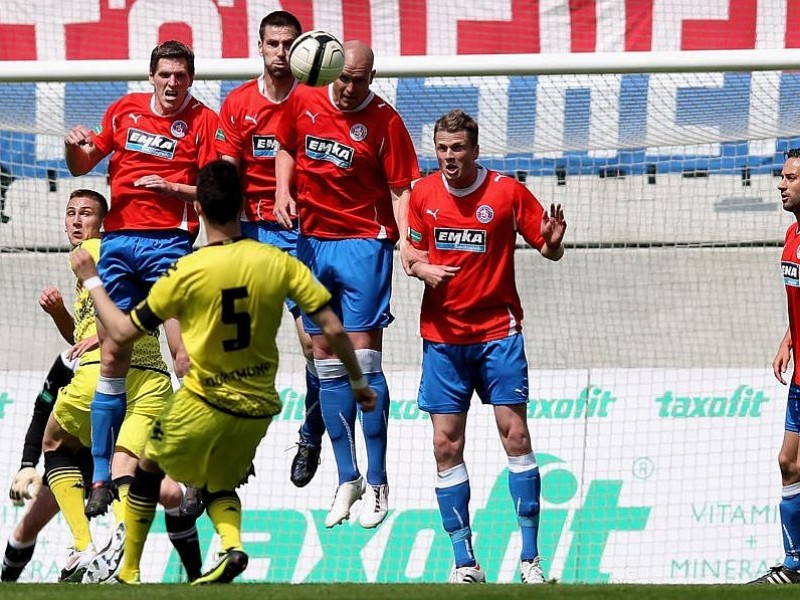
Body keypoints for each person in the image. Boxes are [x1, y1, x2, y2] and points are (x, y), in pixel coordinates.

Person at [70, 159, 377, 585]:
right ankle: (232, 546)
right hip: (259, 406)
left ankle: (130, 571)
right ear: (242, 207)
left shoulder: (185, 270)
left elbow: (119, 332)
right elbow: (332, 328)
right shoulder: (277, 261)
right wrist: (359, 383)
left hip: (203, 399)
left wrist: (91, 280)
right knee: (217, 479)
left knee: (145, 470)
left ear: (197, 212)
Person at [406, 109, 566, 584]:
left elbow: (548, 246)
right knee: (444, 446)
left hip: (499, 334)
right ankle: (465, 564)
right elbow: (410, 254)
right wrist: (420, 269)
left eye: (458, 148)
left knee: (515, 437)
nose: (450, 157)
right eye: (443, 149)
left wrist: (554, 242)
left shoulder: (507, 192)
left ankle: (531, 561)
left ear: (475, 150)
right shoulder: (422, 195)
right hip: (443, 338)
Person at [63, 39, 218, 517]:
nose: (173, 83)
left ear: (191, 79)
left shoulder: (204, 121)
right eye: (165, 74)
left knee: (183, 357)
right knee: (112, 356)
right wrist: (74, 149)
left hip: (169, 242)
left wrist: (175, 188)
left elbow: (217, 189)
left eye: (182, 76)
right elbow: (84, 164)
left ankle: (195, 476)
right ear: (152, 76)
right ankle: (101, 478)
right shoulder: (124, 110)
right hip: (118, 243)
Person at [274, 40, 419, 529]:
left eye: (360, 78)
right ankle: (347, 477)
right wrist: (281, 191)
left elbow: (402, 188)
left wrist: (407, 242)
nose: (349, 86)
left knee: (363, 360)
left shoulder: (386, 122)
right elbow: (286, 148)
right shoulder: (304, 98)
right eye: (344, 77)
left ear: (372, 78)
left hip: (364, 244)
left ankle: (377, 480)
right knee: (324, 360)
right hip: (312, 243)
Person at [38, 189, 202, 583]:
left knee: (54, 444)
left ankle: (84, 545)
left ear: (105, 221)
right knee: (146, 480)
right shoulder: (113, 259)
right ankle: (129, 558)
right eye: (71, 213)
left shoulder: (95, 249)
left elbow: (110, 326)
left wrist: (111, 331)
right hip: (153, 380)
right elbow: (80, 336)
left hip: (106, 374)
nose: (77, 221)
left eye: (87, 213)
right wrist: (63, 314)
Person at [217, 10, 326, 488]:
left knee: (313, 344)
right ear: (259, 47)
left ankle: (312, 431)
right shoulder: (238, 102)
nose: (282, 53)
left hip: (302, 233)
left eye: (289, 44)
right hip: (250, 233)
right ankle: (239, 447)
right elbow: (223, 180)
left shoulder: (317, 100)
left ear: (300, 47)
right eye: (273, 44)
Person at [750, 147, 800, 585]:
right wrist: (789, 338)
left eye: (791, 178)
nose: (781, 184)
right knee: (789, 463)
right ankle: (795, 565)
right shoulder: (792, 235)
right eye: (781, 177)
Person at [2, 352, 79, 582]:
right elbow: (41, 412)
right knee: (27, 526)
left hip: (116, 454)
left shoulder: (127, 353)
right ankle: (5, 585)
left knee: (170, 493)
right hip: (71, 459)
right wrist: (27, 465)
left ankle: (193, 572)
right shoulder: (69, 360)